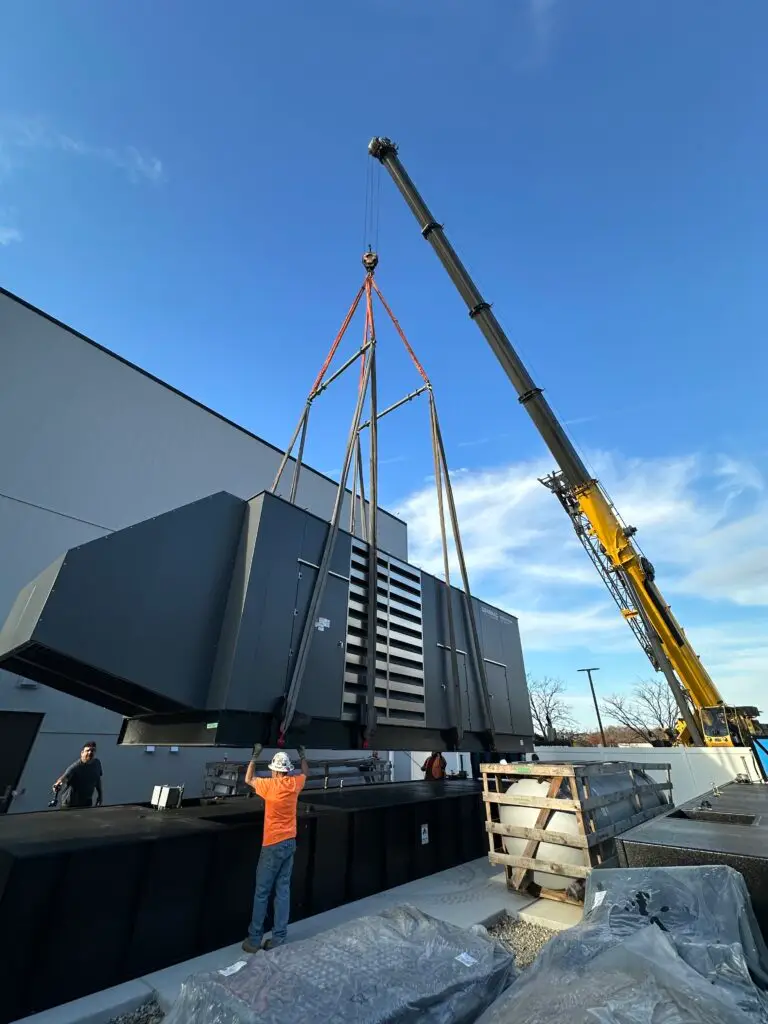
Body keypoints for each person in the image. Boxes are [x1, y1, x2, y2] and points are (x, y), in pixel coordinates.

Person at [243, 743, 309, 953]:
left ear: (273, 770)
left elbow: (248, 779)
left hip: (271, 844)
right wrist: (303, 755)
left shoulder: (269, 787)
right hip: (289, 842)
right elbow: (305, 772)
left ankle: (254, 940)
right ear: (288, 770)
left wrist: (254, 756)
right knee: (283, 891)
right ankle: (279, 937)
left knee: (262, 892)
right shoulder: (294, 784)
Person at [53, 741, 103, 809]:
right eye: (87, 750)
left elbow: (97, 780)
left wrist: (100, 796)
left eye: (93, 750)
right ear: (82, 753)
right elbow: (64, 778)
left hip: (86, 803)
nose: (90, 752)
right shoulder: (75, 767)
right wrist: (57, 784)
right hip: (70, 804)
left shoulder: (97, 764)